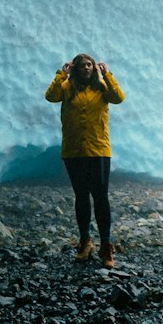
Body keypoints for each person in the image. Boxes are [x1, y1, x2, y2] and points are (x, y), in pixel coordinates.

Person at [45, 53, 124, 268]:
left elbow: (119, 98)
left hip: (98, 150)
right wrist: (62, 73)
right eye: (82, 66)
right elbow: (50, 96)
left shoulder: (101, 88)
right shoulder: (66, 87)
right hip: (74, 150)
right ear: (76, 68)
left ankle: (106, 246)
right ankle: (85, 242)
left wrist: (108, 75)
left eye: (89, 65)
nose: (86, 68)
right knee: (81, 196)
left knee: (100, 197)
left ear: (94, 68)